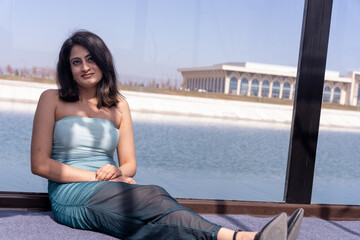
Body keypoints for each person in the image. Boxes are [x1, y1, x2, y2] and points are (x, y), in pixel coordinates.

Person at [31, 30, 303, 240]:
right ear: (69, 68)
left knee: (154, 198)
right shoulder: (52, 99)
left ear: (103, 62)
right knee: (146, 202)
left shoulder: (119, 105)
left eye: (91, 59)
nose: (85, 67)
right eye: (76, 62)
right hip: (72, 194)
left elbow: (129, 163)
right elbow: (40, 165)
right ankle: (244, 237)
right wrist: (97, 177)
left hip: (111, 185)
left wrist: (117, 172)